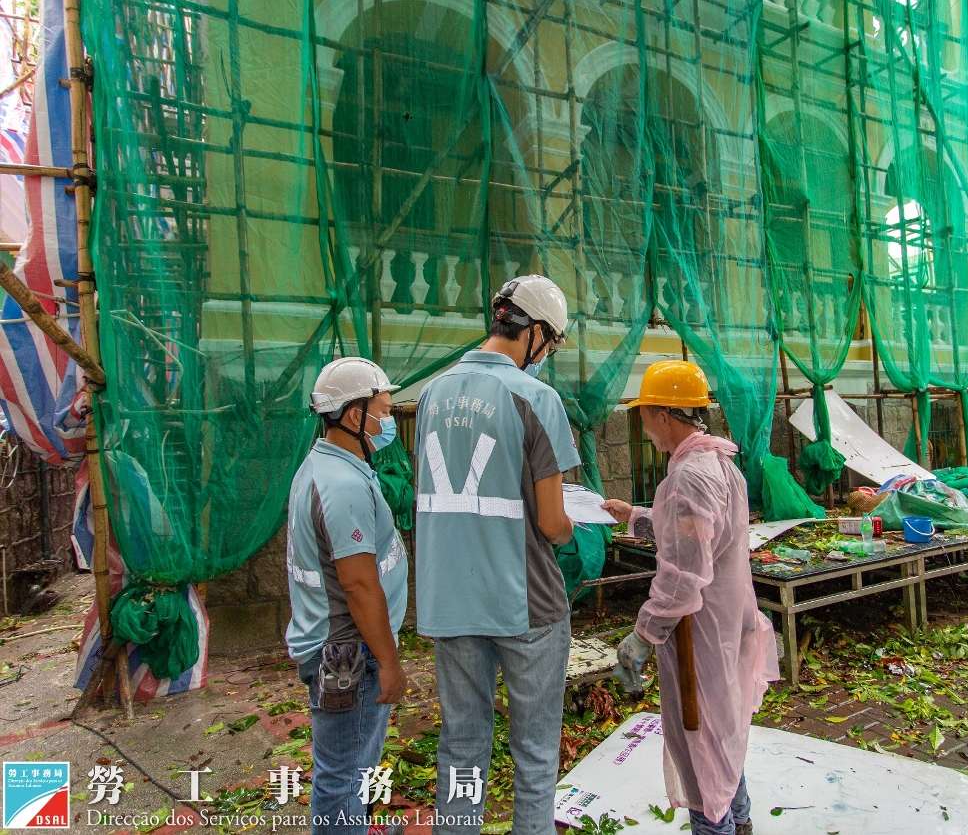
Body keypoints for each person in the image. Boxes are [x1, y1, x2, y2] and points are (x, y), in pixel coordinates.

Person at [415, 274, 579, 834]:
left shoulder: (432, 394)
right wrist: (575, 526)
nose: (548, 355)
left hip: (452, 600)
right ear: (534, 332)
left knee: (461, 748)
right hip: (524, 601)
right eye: (551, 343)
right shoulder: (536, 398)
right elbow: (553, 524)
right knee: (535, 752)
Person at [602, 360, 779, 835]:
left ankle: (717, 825)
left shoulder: (688, 476)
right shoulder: (717, 464)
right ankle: (740, 820)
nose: (643, 426)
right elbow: (694, 532)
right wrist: (635, 515)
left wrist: (643, 635)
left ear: (663, 414)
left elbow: (682, 577)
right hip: (725, 623)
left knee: (701, 747)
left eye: (644, 414)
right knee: (722, 738)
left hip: (698, 636)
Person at [285, 357, 409, 835]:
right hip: (349, 654)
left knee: (356, 762)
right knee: (343, 773)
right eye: (385, 411)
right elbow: (358, 585)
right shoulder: (342, 485)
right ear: (355, 415)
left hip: (339, 644)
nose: (389, 421)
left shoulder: (327, 466)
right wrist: (390, 662)